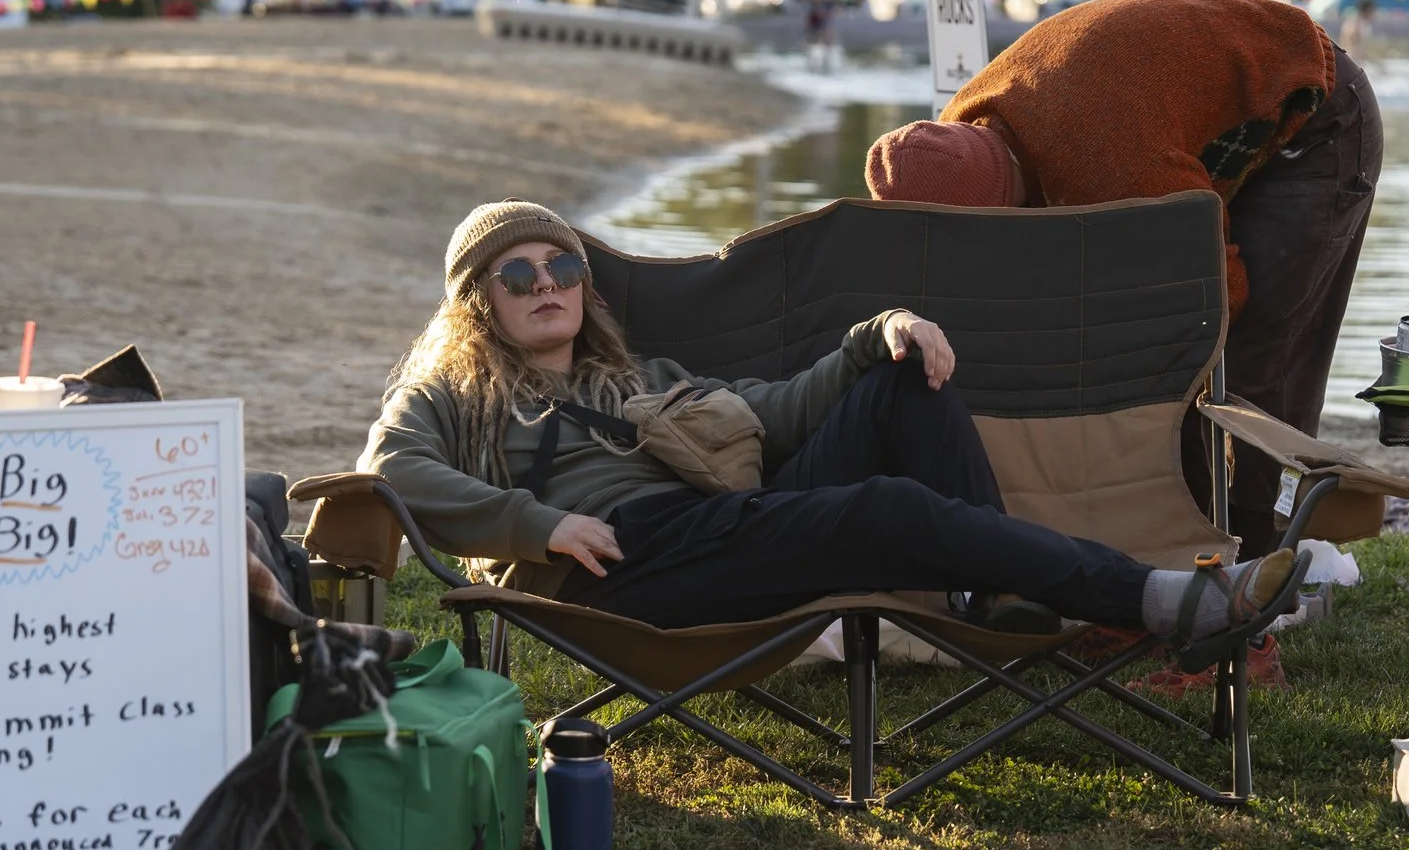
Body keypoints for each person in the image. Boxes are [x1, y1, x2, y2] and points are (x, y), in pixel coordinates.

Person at [359, 201, 1306, 655]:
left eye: (560, 268)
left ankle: (983, 599)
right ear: (476, 304)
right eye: (516, 277)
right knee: (885, 506)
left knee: (902, 382)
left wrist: (874, 336)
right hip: (624, 570)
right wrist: (538, 525)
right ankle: (1164, 601)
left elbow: (772, 414)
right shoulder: (457, 393)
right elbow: (388, 471)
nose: (546, 289)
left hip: (728, 527)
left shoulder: (641, 377)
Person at [861, 0, 1382, 564]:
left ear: (1014, 210)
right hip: (1173, 107)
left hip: (1313, 108)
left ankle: (1249, 595)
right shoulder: (951, 139)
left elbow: (1215, 296)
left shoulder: (1108, 166)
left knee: (1245, 360)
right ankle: (1162, 570)